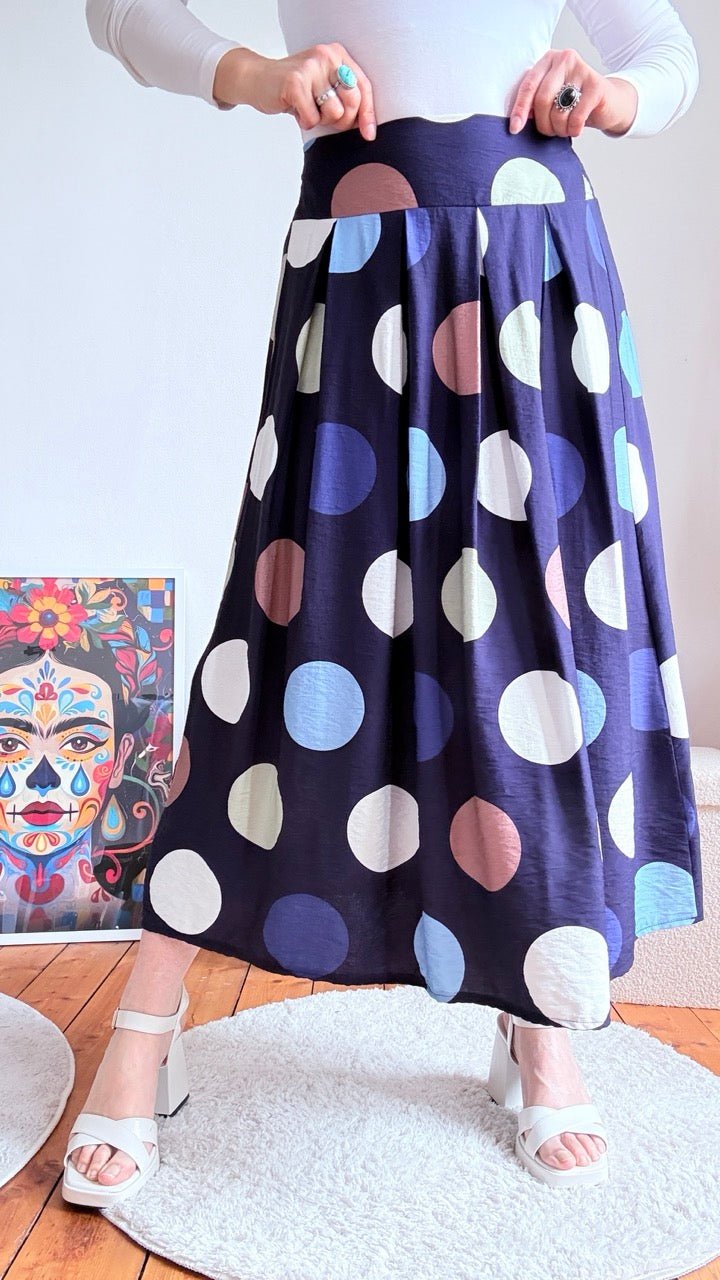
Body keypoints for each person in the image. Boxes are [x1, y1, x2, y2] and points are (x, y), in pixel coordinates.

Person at [62, 0, 703, 1201]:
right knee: (294, 627)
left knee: (536, 642)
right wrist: (258, 75)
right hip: (358, 273)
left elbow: (667, 55)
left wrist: (615, 96)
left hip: (535, 271)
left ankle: (539, 1022)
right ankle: (148, 1020)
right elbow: (120, 12)